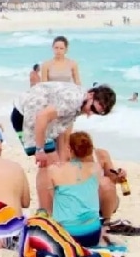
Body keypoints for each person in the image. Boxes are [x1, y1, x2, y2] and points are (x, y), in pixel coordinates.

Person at [11, 82, 116, 212]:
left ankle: (51, 210)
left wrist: (62, 160)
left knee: (57, 166)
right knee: (49, 168)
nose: (90, 114)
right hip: (27, 116)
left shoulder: (80, 101)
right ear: (91, 95)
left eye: (96, 113)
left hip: (40, 114)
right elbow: (41, 117)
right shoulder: (72, 101)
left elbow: (62, 131)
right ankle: (46, 211)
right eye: (93, 109)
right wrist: (39, 149)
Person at [47, 131, 104, 247]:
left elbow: (52, 199)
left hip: (67, 236)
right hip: (92, 234)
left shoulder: (53, 170)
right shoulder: (96, 168)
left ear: (70, 149)